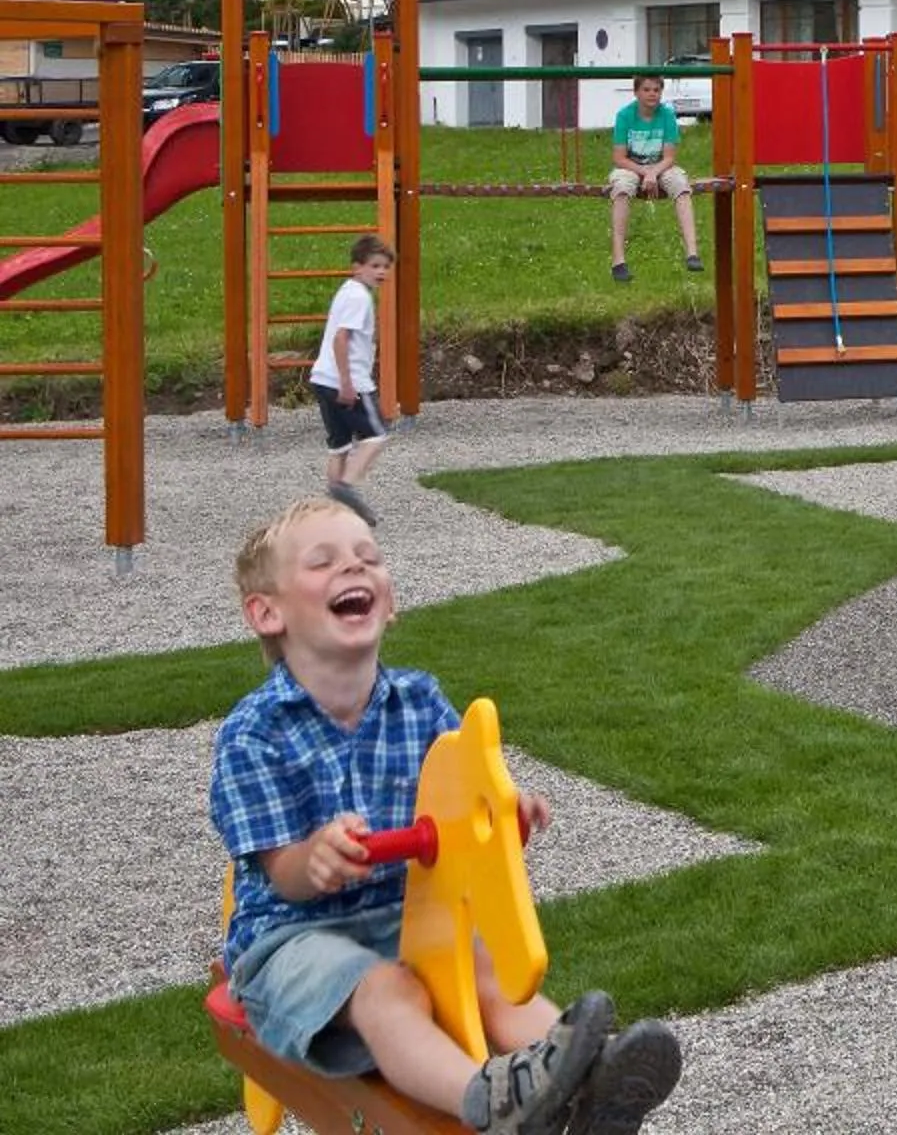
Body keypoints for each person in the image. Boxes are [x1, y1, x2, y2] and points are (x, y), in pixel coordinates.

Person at [212, 497, 684, 1134]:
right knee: (387, 992)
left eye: (369, 558)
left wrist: (507, 808)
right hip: (294, 938)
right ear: (267, 612)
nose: (354, 568)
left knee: (484, 969)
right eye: (324, 563)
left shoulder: (420, 699)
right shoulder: (253, 734)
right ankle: (489, 1100)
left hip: (409, 916)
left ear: (390, 599)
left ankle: (596, 1077)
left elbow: (466, 793)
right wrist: (315, 857)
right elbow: (280, 872)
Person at [309, 236, 392, 527]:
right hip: (348, 381)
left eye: (385, 267)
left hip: (322, 378)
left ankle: (334, 516)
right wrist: (346, 382)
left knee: (339, 446)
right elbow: (341, 338)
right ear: (356, 267)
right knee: (377, 435)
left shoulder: (347, 291)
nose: (381, 272)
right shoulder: (359, 297)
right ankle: (346, 485)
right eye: (374, 266)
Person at [607, 72, 701, 282]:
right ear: (636, 92)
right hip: (631, 166)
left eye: (656, 90)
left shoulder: (667, 115)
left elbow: (669, 157)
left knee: (681, 184)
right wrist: (644, 173)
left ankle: (692, 252)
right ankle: (618, 259)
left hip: (660, 166)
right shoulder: (625, 115)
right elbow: (619, 158)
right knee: (621, 188)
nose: (652, 95)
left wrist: (653, 172)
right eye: (646, 90)